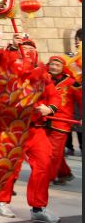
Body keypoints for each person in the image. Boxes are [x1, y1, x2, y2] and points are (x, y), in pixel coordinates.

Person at [0, 38, 62, 222]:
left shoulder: (42, 75)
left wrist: (49, 108)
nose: (28, 52)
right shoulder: (7, 72)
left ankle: (38, 207)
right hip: (15, 128)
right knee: (10, 166)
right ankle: (1, 202)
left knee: (44, 165)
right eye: (24, 49)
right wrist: (11, 47)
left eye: (31, 49)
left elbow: (54, 96)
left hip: (37, 129)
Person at [45, 55, 79, 185]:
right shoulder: (44, 78)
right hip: (44, 119)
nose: (53, 67)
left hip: (62, 123)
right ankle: (64, 173)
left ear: (63, 68)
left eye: (57, 65)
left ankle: (46, 177)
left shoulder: (71, 83)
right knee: (50, 151)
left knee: (53, 152)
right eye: (52, 64)